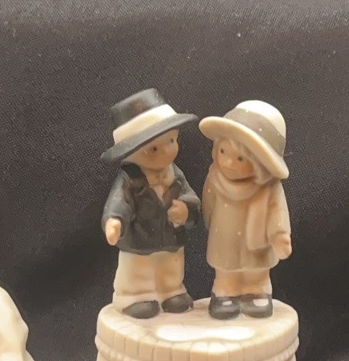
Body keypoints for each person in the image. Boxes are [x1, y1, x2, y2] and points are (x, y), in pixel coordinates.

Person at [100, 89, 200, 318]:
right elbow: (119, 201)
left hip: (171, 238)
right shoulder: (129, 180)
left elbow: (191, 197)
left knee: (171, 268)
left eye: (171, 141)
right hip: (140, 240)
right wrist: (114, 221)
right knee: (139, 271)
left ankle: (171, 292)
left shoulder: (175, 175)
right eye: (153, 148)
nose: (166, 152)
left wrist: (186, 210)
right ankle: (135, 297)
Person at [199, 101, 292, 319]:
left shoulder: (269, 188)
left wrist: (279, 235)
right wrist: (209, 223)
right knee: (226, 269)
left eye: (240, 158)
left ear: (261, 162)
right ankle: (224, 292)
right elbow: (208, 206)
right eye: (223, 151)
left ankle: (257, 291)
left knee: (256, 270)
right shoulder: (214, 178)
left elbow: (277, 211)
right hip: (225, 238)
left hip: (258, 243)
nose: (229, 163)